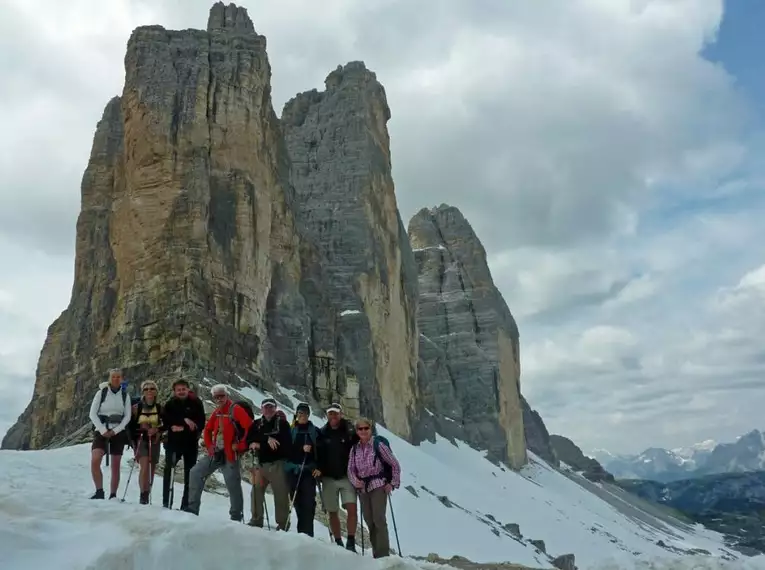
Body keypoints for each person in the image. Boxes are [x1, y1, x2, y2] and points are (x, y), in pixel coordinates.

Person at [186, 384, 253, 521]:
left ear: (227, 395)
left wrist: (240, 446)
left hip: (230, 454)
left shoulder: (236, 409)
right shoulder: (217, 412)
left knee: (232, 484)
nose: (219, 399)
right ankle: (192, 509)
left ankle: (236, 516)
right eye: (216, 397)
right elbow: (208, 430)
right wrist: (210, 446)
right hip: (216, 453)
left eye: (221, 396)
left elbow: (250, 428)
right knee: (195, 472)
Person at [347, 417, 401, 559]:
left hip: (378, 485)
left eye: (366, 428)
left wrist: (392, 483)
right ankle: (377, 554)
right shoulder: (354, 449)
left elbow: (395, 464)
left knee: (379, 519)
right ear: (357, 431)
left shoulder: (378, 445)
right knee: (369, 520)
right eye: (360, 429)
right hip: (363, 488)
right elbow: (351, 470)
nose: (363, 431)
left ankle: (383, 555)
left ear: (371, 429)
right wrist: (355, 481)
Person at [316, 402, 359, 551]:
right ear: (327, 415)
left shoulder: (349, 431)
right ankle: (339, 541)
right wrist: (318, 469)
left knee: (352, 508)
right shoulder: (322, 433)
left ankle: (351, 541)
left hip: (347, 477)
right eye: (330, 413)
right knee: (332, 511)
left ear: (341, 414)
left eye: (335, 413)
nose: (333, 416)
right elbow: (318, 455)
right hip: (328, 478)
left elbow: (359, 448)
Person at [245, 397, 291, 529]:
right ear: (262, 409)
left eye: (271, 407)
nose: (268, 409)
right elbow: (249, 440)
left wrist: (260, 444)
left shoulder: (283, 424)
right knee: (256, 492)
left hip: (277, 464)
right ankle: (256, 519)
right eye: (266, 407)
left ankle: (283, 524)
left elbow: (283, 446)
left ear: (275, 409)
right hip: (260, 464)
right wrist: (267, 439)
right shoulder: (256, 424)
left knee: (280, 494)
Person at [161, 379, 206, 510]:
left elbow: (200, 423)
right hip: (173, 443)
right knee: (169, 471)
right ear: (174, 391)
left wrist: (182, 426)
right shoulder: (170, 404)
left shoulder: (196, 403)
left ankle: (186, 505)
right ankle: (166, 502)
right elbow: (166, 421)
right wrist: (185, 420)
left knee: (190, 474)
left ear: (188, 389)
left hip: (190, 443)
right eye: (178, 390)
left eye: (183, 389)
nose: (181, 392)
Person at [88, 368, 132, 499]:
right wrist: (102, 430)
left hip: (118, 431)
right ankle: (99, 491)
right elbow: (92, 414)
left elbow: (127, 416)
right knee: (95, 459)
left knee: (116, 464)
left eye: (118, 377)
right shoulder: (101, 393)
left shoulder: (125, 395)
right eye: (113, 376)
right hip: (101, 430)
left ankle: (113, 495)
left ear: (122, 379)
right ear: (109, 378)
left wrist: (115, 430)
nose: (116, 379)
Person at [284, 402, 322, 536]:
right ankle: (302, 531)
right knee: (297, 501)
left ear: (308, 415)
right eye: (300, 413)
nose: (302, 416)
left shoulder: (315, 431)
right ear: (296, 414)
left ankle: (307, 533)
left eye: (305, 413)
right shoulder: (290, 430)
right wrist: (301, 449)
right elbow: (286, 450)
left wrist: (319, 467)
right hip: (293, 471)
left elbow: (321, 451)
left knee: (308, 502)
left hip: (308, 471)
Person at [129, 380, 165, 505]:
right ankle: (143, 494)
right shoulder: (136, 408)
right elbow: (130, 426)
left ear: (156, 392)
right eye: (146, 389)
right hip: (140, 440)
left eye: (152, 389)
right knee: (144, 466)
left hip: (155, 440)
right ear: (143, 392)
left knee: (152, 468)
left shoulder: (160, 408)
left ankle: (146, 493)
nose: (149, 391)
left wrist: (157, 430)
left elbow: (165, 424)